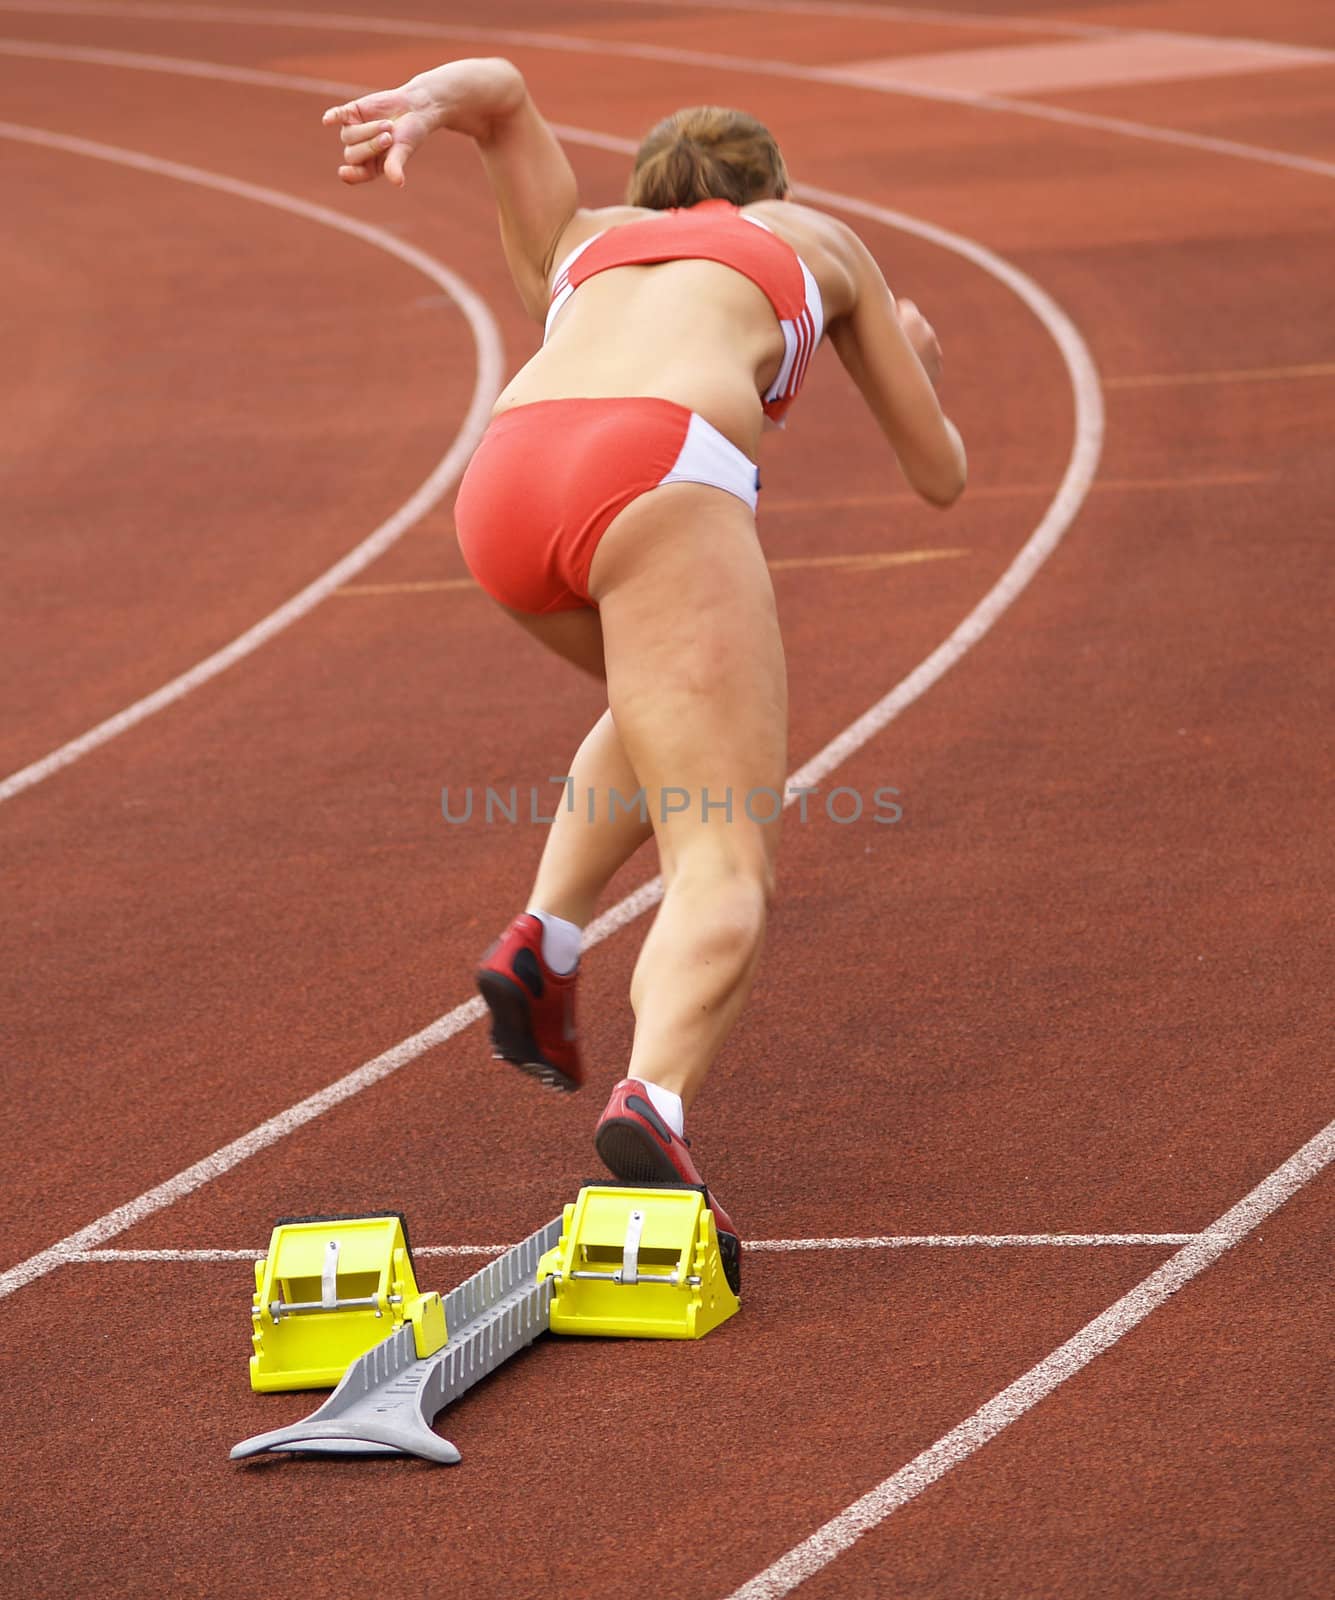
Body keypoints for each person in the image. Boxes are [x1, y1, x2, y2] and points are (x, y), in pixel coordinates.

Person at [323, 58, 965, 1272]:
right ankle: (653, 1104)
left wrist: (427, 108)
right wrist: (911, 350)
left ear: (649, 194)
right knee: (725, 839)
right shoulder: (811, 234)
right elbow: (940, 474)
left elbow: (505, 93)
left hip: (505, 480)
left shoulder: (582, 241)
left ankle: (549, 941)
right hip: (655, 471)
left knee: (665, 711)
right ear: (766, 187)